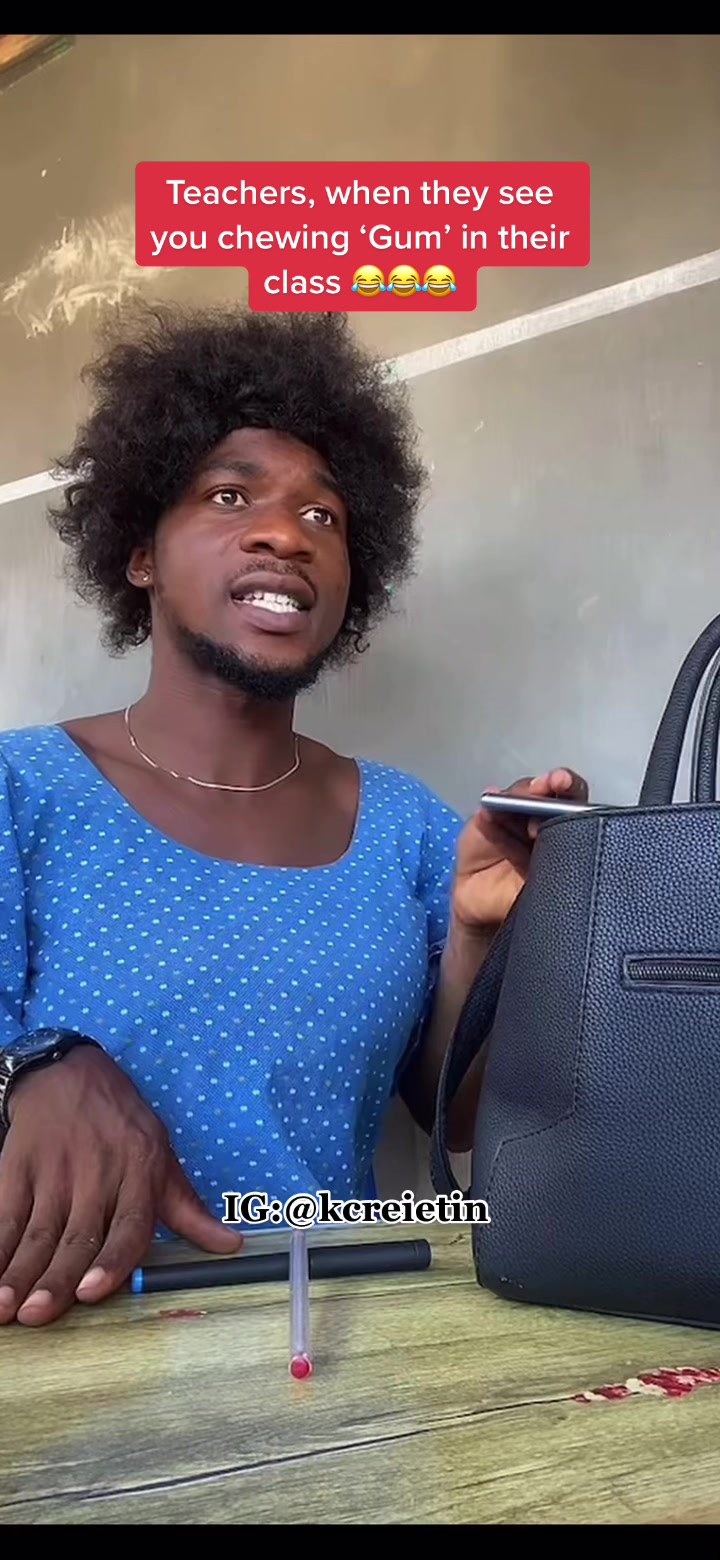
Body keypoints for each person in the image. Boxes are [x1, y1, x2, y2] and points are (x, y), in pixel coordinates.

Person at [0, 308, 586, 1328]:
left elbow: (452, 1117)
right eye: (230, 496)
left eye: (325, 516)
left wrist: (477, 938)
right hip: (67, 1344)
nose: (286, 534)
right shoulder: (23, 790)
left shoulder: (406, 823)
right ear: (140, 554)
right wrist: (40, 1062)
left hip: (335, 1339)